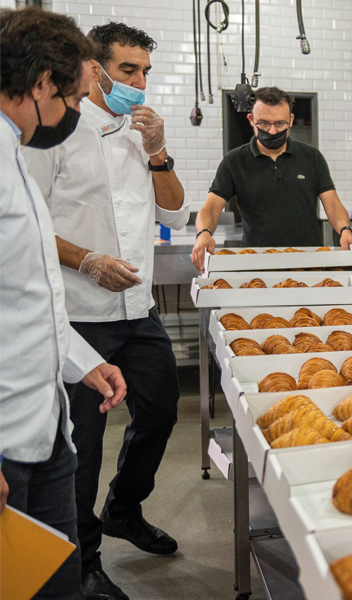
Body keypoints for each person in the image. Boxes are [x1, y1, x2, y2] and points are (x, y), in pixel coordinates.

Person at [20, 22, 187, 600]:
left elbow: (176, 210)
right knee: (82, 448)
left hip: (136, 309)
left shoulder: (138, 130)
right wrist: (86, 259)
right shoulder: (55, 135)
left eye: (145, 71)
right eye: (127, 71)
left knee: (162, 410)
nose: (139, 83)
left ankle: (124, 509)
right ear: (93, 69)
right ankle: (84, 561)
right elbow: (33, 224)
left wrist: (159, 150)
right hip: (80, 315)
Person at [1, 7, 127, 599]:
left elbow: (29, 295)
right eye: (74, 100)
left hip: (44, 426)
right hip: (4, 444)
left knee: (52, 587)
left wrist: (82, 362)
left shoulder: (13, 156)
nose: (76, 114)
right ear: (42, 83)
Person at [191, 86, 352, 269]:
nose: (272, 131)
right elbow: (211, 208)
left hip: (309, 264)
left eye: (280, 124)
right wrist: (204, 233)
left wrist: (345, 230)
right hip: (256, 266)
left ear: (291, 120)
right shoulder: (234, 161)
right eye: (264, 123)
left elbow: (333, 205)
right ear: (251, 120)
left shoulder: (312, 157)